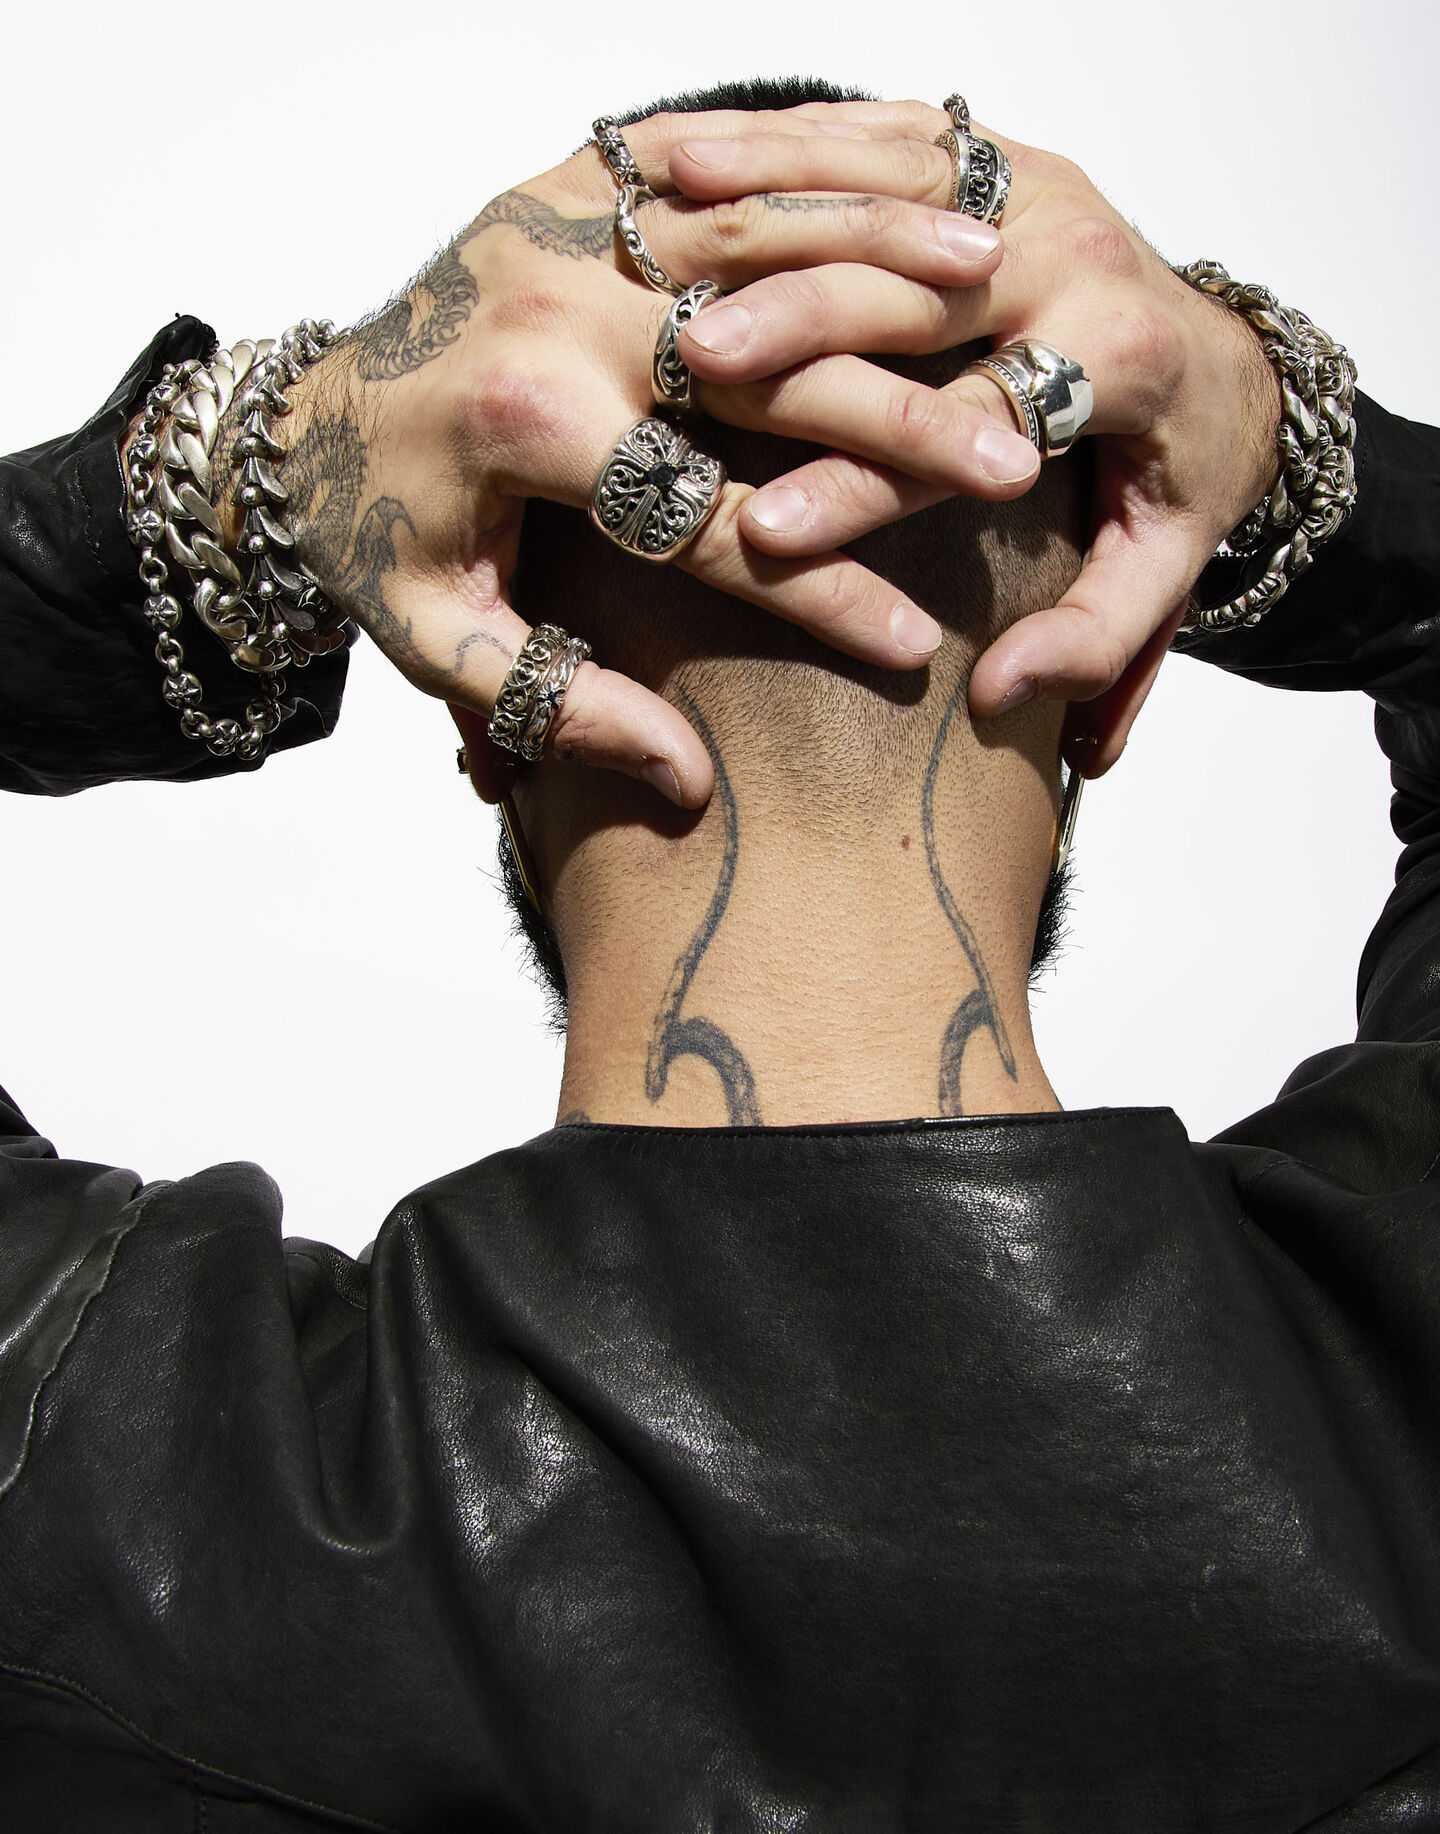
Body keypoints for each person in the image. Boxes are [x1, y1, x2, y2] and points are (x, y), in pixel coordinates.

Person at [2, 78, 1438, 1831]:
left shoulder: (102, 1502)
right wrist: (1286, 448)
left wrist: (257, 475)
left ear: (481, 699)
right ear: (1119, 674)